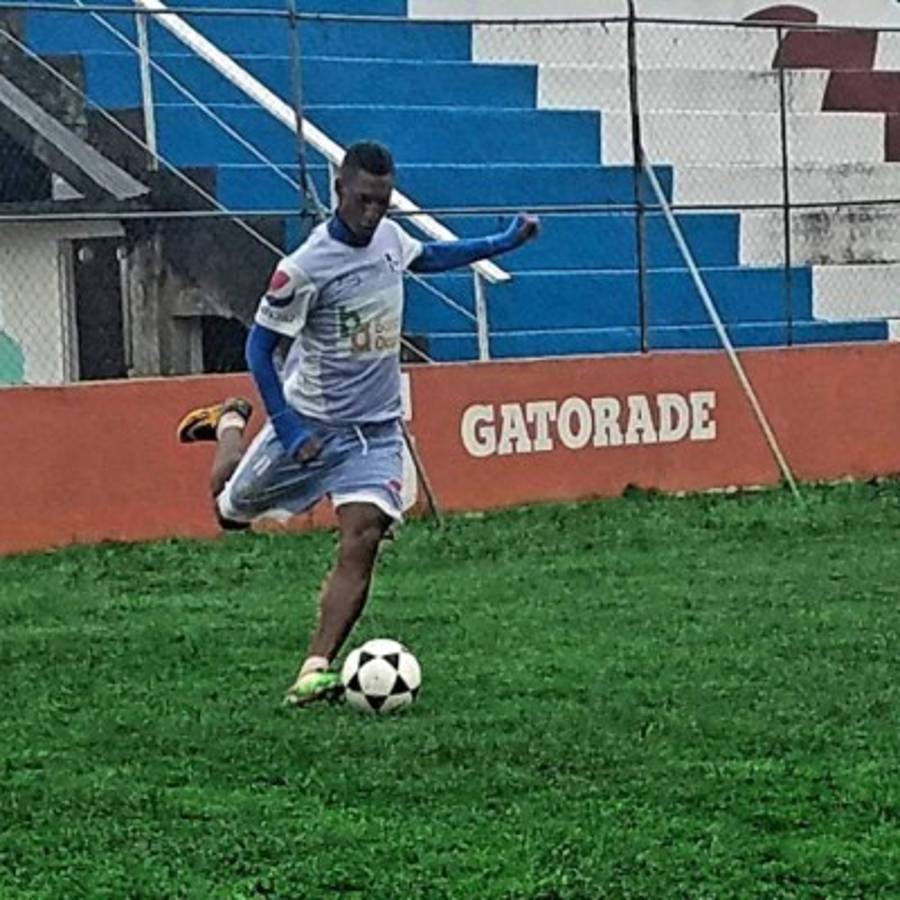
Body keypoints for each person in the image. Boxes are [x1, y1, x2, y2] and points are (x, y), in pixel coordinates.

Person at [177, 140, 539, 707]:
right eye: (364, 199)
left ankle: (314, 668)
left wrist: (502, 242)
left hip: (376, 431)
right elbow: (258, 350)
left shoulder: (390, 239)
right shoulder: (304, 268)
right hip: (310, 427)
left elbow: (427, 257)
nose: (373, 212)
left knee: (364, 533)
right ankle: (228, 422)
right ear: (339, 190)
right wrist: (289, 430)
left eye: (383, 202)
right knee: (228, 512)